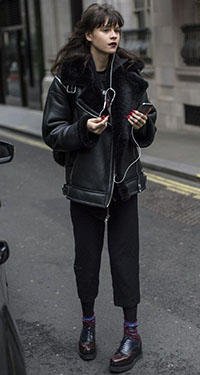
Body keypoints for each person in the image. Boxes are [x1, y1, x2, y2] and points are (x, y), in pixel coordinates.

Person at [42, 3, 157, 373]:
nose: (113, 35)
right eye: (106, 29)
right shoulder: (68, 78)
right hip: (85, 186)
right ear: (89, 34)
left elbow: (148, 130)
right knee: (86, 263)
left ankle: (132, 335)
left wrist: (142, 123)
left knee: (126, 262)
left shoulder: (130, 74)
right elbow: (52, 132)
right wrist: (83, 130)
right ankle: (88, 326)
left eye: (117, 30)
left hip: (124, 183)